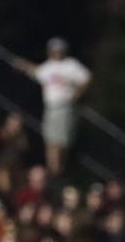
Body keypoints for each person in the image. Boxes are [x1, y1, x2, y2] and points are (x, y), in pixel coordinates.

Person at [12, 37, 91, 176]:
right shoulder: (48, 66)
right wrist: (23, 64)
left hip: (64, 107)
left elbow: (86, 78)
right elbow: (36, 71)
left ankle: (58, 171)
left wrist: (76, 95)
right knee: (50, 141)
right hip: (51, 108)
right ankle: (53, 171)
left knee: (61, 142)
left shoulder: (70, 65)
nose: (55, 52)